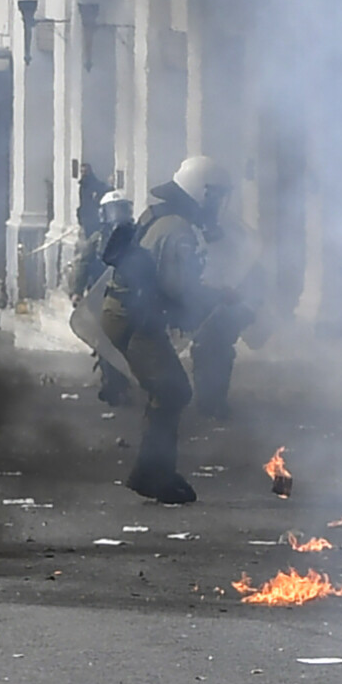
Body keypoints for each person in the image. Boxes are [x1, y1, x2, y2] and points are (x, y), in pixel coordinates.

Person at [96, 157, 237, 504]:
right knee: (173, 391)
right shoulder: (178, 229)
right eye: (216, 196)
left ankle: (155, 472)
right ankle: (152, 474)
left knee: (170, 390)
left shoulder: (161, 216)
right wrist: (219, 295)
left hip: (127, 312)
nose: (218, 205)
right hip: (134, 318)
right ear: (202, 193)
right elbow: (177, 287)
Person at [71, 189, 137, 407]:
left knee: (129, 343)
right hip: (101, 296)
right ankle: (111, 385)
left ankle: (126, 382)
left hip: (131, 296)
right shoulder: (98, 239)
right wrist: (76, 291)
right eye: (113, 210)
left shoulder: (137, 236)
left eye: (121, 209)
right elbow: (81, 264)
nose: (117, 214)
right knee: (105, 344)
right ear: (104, 213)